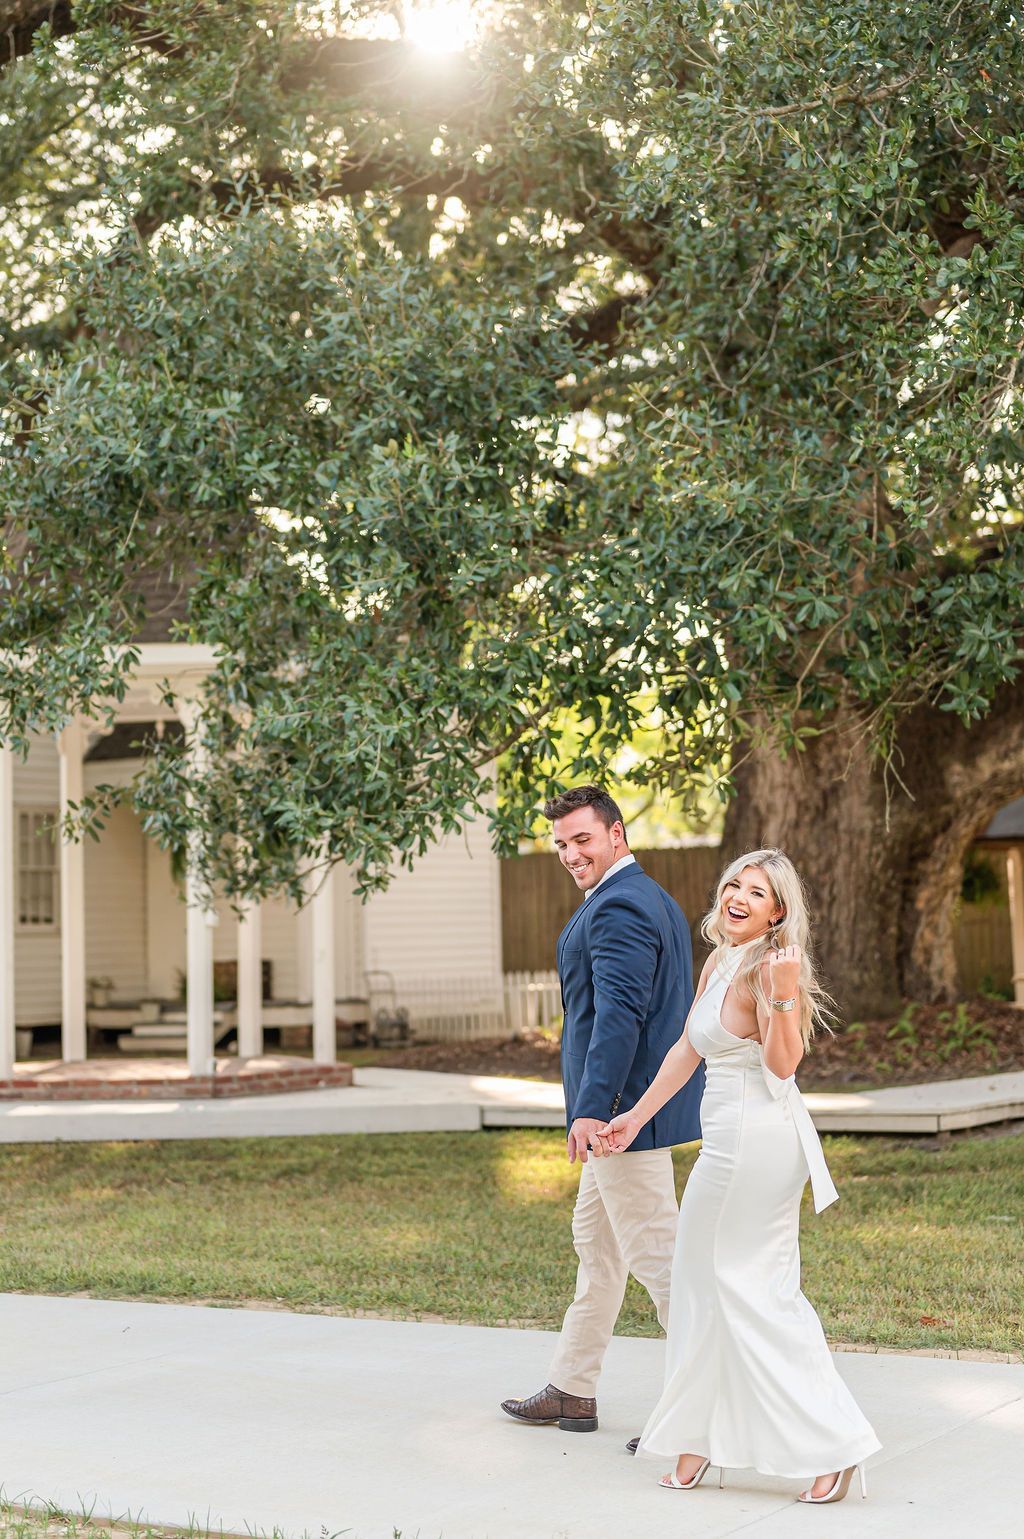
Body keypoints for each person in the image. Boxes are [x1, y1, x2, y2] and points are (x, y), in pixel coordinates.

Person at [597, 848, 880, 1504]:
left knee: (753, 1291)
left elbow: (783, 1066)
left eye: (757, 891)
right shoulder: (720, 960)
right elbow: (685, 1049)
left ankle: (831, 1447)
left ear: (777, 910)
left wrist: (782, 999)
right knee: (702, 1284)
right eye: (734, 884)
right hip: (726, 1143)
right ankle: (700, 1439)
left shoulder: (775, 967)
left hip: (759, 1142)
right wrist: (635, 1117)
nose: (739, 896)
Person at [500, 785, 704, 1435]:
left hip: (623, 1121)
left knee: (661, 1263)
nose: (570, 853)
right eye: (560, 843)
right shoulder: (644, 896)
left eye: (582, 838)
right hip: (624, 1115)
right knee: (598, 1247)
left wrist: (593, 1109)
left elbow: (620, 1016)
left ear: (616, 834)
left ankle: (707, 1406)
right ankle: (572, 1387)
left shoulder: (620, 906)